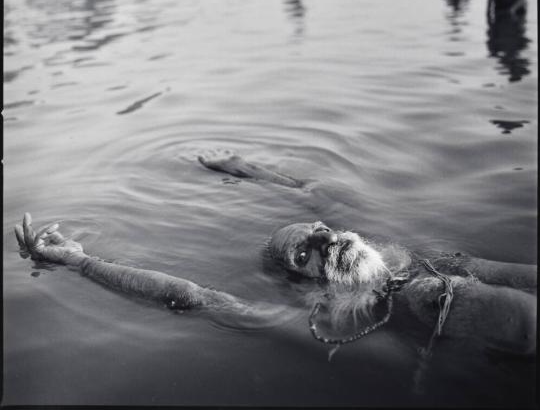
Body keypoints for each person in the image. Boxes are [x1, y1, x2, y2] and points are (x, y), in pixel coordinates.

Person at [14, 152, 536, 359]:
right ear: (309, 287)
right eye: (304, 255)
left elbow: (311, 190)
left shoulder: (424, 260)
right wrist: (82, 262)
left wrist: (241, 168)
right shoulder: (324, 314)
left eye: (319, 234)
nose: (325, 240)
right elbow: (193, 297)